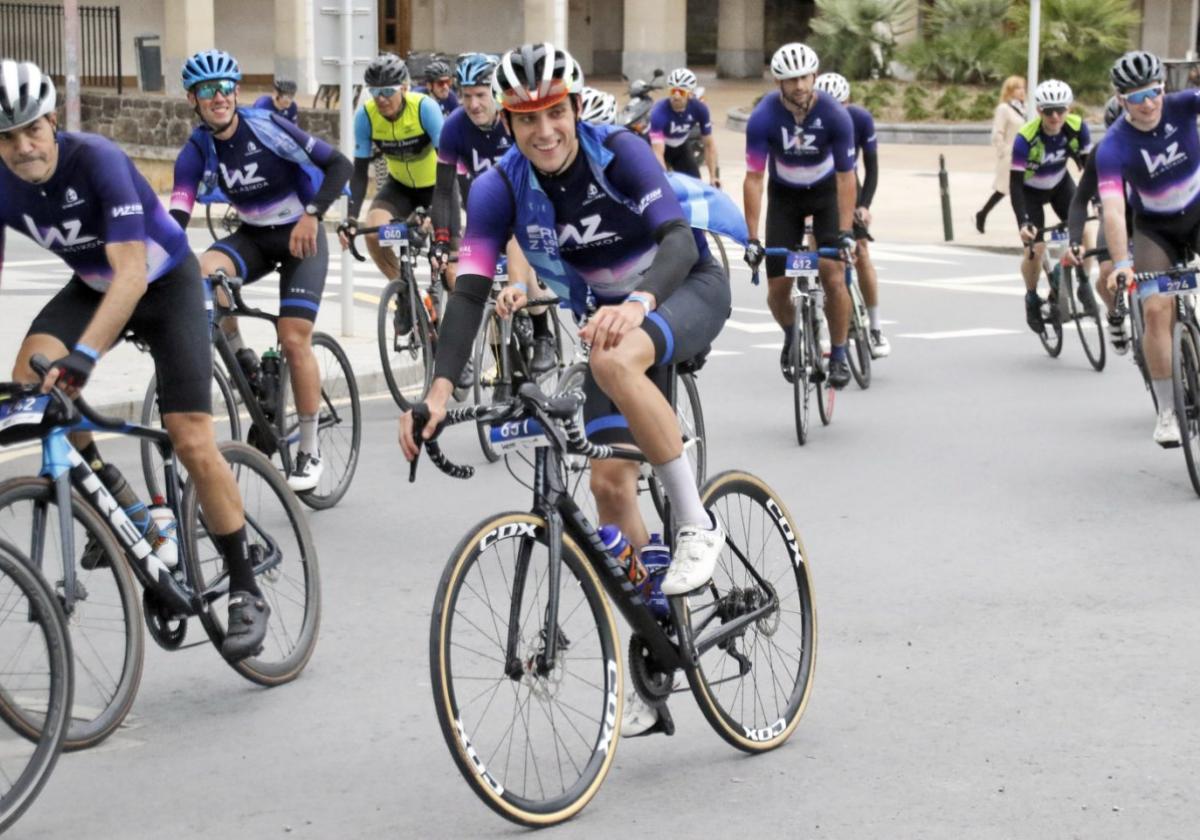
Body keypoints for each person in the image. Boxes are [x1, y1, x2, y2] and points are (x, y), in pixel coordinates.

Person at [397, 42, 739, 736]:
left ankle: (698, 524)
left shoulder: (619, 151)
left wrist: (638, 303)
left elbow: (674, 240)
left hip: (681, 290)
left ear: (575, 109)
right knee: (609, 484)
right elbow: (468, 290)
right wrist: (435, 395)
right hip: (613, 323)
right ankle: (657, 635)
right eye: (526, 118)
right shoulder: (498, 188)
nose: (543, 130)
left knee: (615, 363)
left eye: (554, 113)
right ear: (509, 123)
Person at [0, 59, 268, 659]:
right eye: (7, 137)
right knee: (28, 386)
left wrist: (87, 356)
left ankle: (245, 588)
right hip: (92, 289)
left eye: (31, 130)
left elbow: (131, 274)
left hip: (162, 284)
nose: (22, 148)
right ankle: (125, 506)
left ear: (52, 120)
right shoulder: (1, 180)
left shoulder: (95, 158)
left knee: (190, 435)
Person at [170, 50, 353, 492]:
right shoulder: (198, 148)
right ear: (193, 100)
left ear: (236, 92)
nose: (219, 98)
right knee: (201, 272)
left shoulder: (267, 127)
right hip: (253, 236)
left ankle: (308, 449)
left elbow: (339, 165)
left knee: (293, 338)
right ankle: (246, 362)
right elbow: (177, 212)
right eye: (207, 91)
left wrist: (313, 213)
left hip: (300, 237)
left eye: (225, 88)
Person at [1097, 50, 1200, 446]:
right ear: (1122, 100)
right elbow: (1112, 210)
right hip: (1155, 229)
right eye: (1138, 97)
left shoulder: (1183, 105)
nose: (1150, 103)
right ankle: (1168, 411)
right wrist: (1121, 262)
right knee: (1155, 310)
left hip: (1197, 211)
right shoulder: (1113, 145)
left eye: (1154, 91)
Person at [741, 42, 858, 389]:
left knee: (833, 276)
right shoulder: (763, 117)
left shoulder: (836, 115)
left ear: (815, 76)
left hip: (825, 197)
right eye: (791, 80)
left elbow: (845, 177)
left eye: (805, 77)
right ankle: (792, 335)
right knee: (778, 288)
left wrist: (846, 231)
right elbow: (754, 179)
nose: (800, 86)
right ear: (779, 82)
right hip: (784, 198)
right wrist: (751, 238)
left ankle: (837, 353)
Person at [431, 51, 556, 375]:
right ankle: (507, 370)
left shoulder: (514, 121)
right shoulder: (454, 128)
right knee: (473, 285)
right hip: (487, 214)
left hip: (529, 208)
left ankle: (544, 335)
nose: (474, 104)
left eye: (481, 96)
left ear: (496, 96)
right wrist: (445, 242)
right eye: (467, 96)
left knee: (521, 249)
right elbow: (444, 190)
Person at [338, 53, 443, 335]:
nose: (381, 99)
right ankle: (405, 293)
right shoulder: (366, 117)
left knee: (450, 267)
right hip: (400, 187)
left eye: (388, 91)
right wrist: (350, 218)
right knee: (373, 232)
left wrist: (435, 214)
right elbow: (359, 172)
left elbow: (449, 165)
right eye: (375, 92)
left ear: (404, 88)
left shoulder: (425, 109)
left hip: (436, 186)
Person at [814, 71, 890, 357]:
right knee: (819, 257)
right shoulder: (811, 122)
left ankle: (876, 327)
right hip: (817, 189)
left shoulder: (860, 119)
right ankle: (821, 325)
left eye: (841, 105)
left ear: (849, 102)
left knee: (861, 252)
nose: (836, 112)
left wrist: (864, 206)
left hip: (848, 186)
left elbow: (871, 167)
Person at [1009, 78, 1092, 333]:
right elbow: (1014, 185)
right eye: (1048, 111)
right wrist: (1023, 222)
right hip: (1029, 192)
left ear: (1069, 109)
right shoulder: (1025, 139)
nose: (1055, 116)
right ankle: (1032, 296)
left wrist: (1097, 200)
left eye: (1060, 110)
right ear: (1039, 111)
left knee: (1086, 231)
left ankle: (1083, 283)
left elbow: (1089, 170)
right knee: (1035, 248)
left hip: (1059, 185)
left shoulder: (1078, 128)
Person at [1067, 97, 1125, 349]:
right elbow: (1079, 200)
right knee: (1105, 271)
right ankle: (1113, 314)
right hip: (1115, 216)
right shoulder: (1102, 152)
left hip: (1149, 218)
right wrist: (1074, 240)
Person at [648, 68, 718, 186]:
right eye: (673, 91)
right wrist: (665, 180)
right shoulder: (659, 112)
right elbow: (658, 152)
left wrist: (713, 177)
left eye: (681, 92)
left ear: (690, 93)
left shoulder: (700, 108)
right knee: (657, 185)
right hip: (659, 147)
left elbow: (709, 145)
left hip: (680, 146)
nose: (676, 96)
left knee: (695, 185)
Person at [976, 76, 1026, 233]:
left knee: (1022, 190)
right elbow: (998, 132)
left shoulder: (1026, 108)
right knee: (1003, 189)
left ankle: (1024, 222)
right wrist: (1003, 151)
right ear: (1010, 91)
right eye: (1018, 88)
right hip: (1011, 156)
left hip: (1025, 155)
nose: (1022, 91)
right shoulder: (1004, 109)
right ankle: (983, 214)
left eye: (1023, 87)